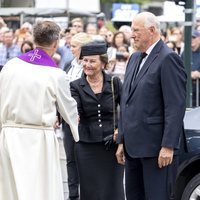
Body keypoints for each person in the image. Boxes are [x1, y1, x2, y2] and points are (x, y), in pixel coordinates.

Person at [0, 20, 79, 200]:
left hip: (10, 135)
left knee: (11, 190)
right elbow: (69, 108)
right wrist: (76, 127)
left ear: (34, 39)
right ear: (56, 43)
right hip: (39, 139)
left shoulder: (10, 66)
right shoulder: (55, 74)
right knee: (39, 189)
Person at [116, 12, 187, 200]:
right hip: (133, 148)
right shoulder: (134, 58)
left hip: (156, 150)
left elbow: (175, 106)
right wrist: (122, 139)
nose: (131, 35)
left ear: (152, 31)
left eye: (136, 30)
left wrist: (168, 146)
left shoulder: (168, 58)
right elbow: (126, 101)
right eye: (131, 30)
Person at [70, 41, 125, 200]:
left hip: (112, 145)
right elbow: (74, 109)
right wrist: (74, 115)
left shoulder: (114, 83)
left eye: (92, 61)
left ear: (103, 63)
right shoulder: (75, 86)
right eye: (85, 60)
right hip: (86, 145)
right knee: (91, 190)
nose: (87, 64)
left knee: (113, 190)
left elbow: (127, 110)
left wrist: (119, 131)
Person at [62, 32, 92, 200]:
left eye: (73, 46)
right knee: (70, 159)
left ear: (83, 47)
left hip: (84, 120)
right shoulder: (68, 65)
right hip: (68, 120)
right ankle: (73, 195)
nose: (70, 48)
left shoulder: (90, 66)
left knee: (85, 159)